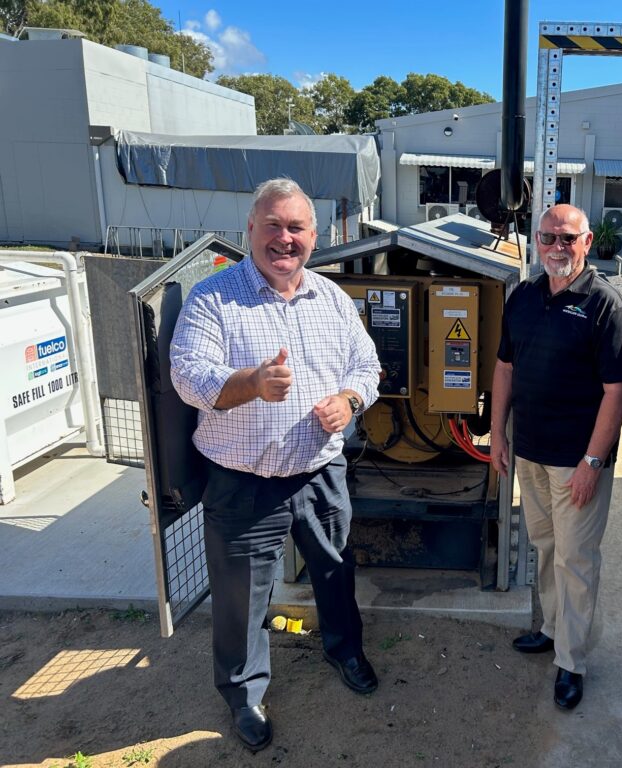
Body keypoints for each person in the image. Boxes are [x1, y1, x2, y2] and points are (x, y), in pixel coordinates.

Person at [170, 178, 382, 752]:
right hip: (243, 481)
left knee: (335, 572)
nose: (284, 239)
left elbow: (368, 365)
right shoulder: (213, 298)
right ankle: (243, 694)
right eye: (273, 226)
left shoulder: (333, 300)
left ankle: (345, 650)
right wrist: (251, 384)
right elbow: (189, 375)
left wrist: (350, 401)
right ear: (251, 230)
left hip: (318, 474)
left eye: (295, 228)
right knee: (242, 596)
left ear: (314, 237)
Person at [491, 203, 622, 711]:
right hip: (529, 452)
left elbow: (617, 391)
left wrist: (593, 463)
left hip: (577, 462)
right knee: (546, 546)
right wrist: (498, 434)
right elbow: (505, 368)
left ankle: (572, 661)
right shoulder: (524, 297)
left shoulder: (604, 305)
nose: (558, 247)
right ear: (536, 241)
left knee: (576, 559)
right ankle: (553, 630)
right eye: (549, 238)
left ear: (587, 241)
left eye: (567, 238)